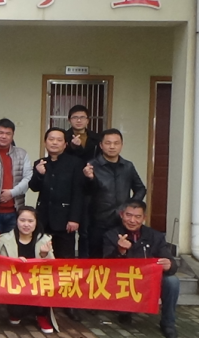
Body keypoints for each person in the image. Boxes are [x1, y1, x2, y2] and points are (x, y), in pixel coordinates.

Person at [29, 127, 85, 321]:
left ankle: (68, 303)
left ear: (65, 144)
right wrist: (39, 174)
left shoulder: (75, 163)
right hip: (43, 220)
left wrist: (75, 218)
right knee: (42, 260)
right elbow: (34, 187)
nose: (54, 142)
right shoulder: (40, 163)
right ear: (45, 142)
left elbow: (78, 193)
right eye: (51, 139)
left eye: (59, 140)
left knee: (65, 262)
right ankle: (42, 299)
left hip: (65, 220)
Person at [103, 200, 179, 338]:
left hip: (149, 280)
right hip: (124, 280)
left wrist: (170, 265)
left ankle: (168, 323)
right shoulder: (111, 234)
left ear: (144, 218)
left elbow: (171, 262)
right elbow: (106, 266)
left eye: (137, 216)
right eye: (128, 215)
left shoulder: (155, 236)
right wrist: (120, 251)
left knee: (172, 281)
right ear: (121, 215)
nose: (132, 220)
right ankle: (125, 311)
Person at [84, 129, 146, 259]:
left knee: (121, 257)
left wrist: (130, 207)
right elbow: (85, 192)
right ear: (101, 145)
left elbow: (140, 188)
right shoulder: (91, 166)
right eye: (108, 143)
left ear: (121, 145)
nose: (112, 146)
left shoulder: (128, 166)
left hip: (122, 222)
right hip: (98, 221)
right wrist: (89, 178)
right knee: (97, 259)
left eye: (116, 143)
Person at [0, 206, 57, 334]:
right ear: (16, 221)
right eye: (22, 220)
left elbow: (52, 269)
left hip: (37, 282)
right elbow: (1, 266)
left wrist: (44, 255)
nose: (26, 224)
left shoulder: (45, 240)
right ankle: (18, 312)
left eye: (30, 221)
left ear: (36, 222)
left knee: (46, 284)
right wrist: (16, 263)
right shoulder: (4, 239)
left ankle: (41, 315)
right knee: (16, 312)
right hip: (15, 281)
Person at [64, 104, 102, 259]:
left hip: (90, 185)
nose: (78, 120)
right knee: (68, 229)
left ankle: (85, 263)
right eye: (75, 117)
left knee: (86, 230)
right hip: (69, 185)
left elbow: (97, 160)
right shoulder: (64, 137)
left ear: (88, 120)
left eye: (82, 117)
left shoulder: (97, 138)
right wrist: (73, 147)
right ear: (69, 120)